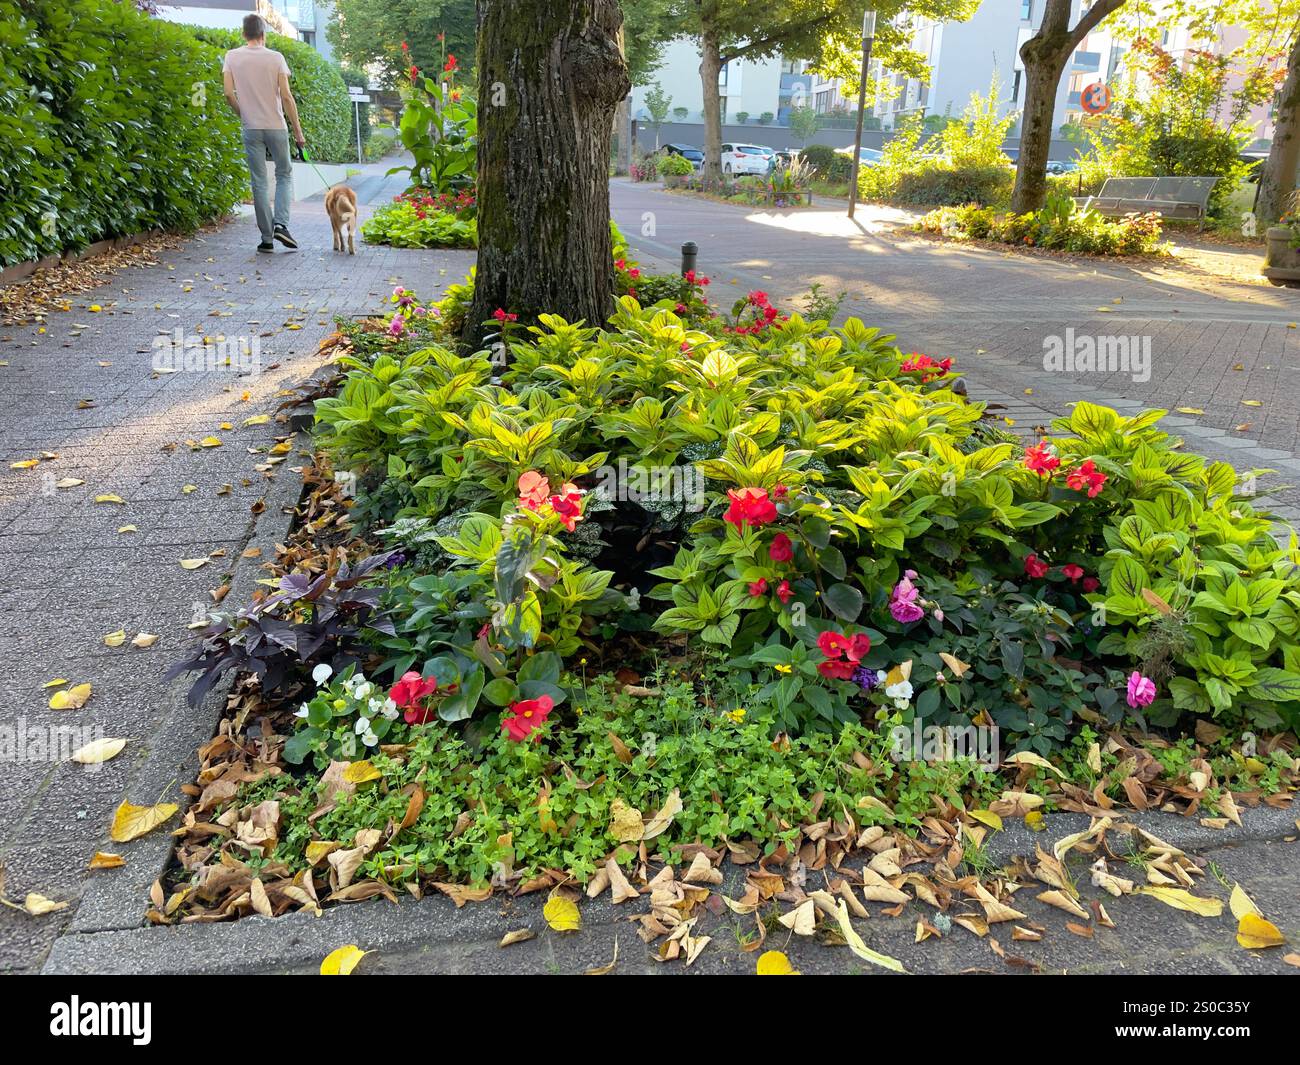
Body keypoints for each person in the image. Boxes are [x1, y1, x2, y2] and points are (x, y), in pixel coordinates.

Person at [222, 14, 305, 253]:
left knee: (258, 181)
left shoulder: (232, 57)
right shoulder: (276, 58)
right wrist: (298, 132)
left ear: (244, 34)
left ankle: (267, 239)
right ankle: (281, 224)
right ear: (263, 34)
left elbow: (228, 93)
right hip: (276, 125)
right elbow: (287, 97)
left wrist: (244, 114)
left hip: (251, 127)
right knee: (284, 173)